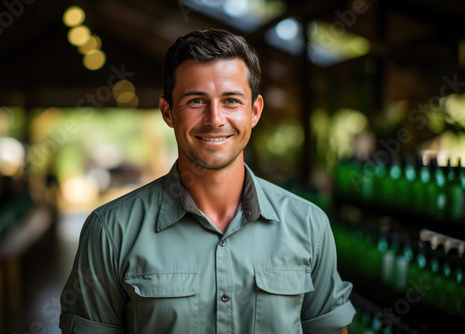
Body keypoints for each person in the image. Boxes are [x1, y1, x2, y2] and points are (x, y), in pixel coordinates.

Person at [59, 28, 355, 334]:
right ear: (168, 112)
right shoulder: (110, 231)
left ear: (254, 111)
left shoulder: (309, 225)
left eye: (231, 101)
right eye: (196, 101)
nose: (215, 119)